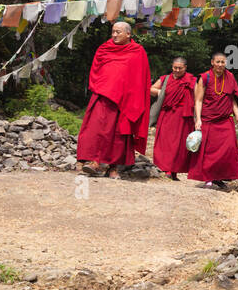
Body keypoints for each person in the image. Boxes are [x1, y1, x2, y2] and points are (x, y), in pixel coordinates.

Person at [77, 21, 151, 178]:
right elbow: (96, 70)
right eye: (113, 32)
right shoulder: (104, 49)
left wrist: (134, 98)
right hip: (103, 96)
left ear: (128, 34)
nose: (115, 35)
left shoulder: (137, 51)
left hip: (125, 100)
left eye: (118, 32)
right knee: (96, 129)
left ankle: (113, 168)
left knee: (118, 134)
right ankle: (95, 162)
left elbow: (141, 77)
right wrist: (100, 87)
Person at [189, 51, 238, 190]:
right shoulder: (205, 77)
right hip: (208, 120)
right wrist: (198, 119)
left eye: (223, 62)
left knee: (228, 150)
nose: (220, 65)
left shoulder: (230, 77)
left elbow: (231, 100)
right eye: (217, 62)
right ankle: (208, 178)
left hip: (225, 120)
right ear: (212, 63)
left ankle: (219, 178)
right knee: (208, 151)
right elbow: (198, 100)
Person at [149, 56, 197, 180]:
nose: (176, 70)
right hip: (167, 114)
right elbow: (151, 89)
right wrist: (161, 93)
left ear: (185, 68)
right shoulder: (165, 79)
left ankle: (174, 171)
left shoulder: (191, 80)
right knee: (165, 142)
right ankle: (166, 169)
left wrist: (198, 117)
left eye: (179, 68)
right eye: (175, 67)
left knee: (180, 144)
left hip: (183, 116)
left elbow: (198, 98)